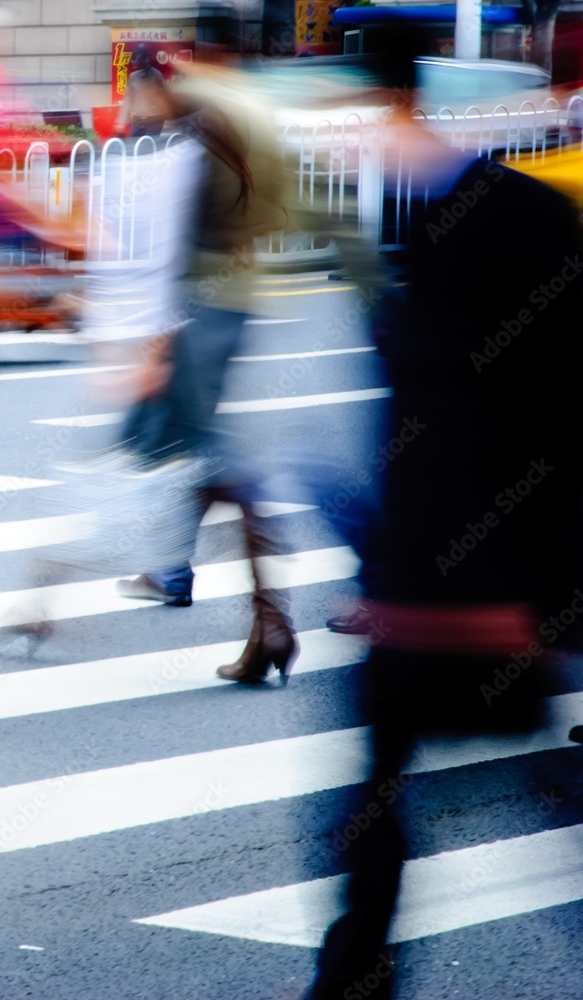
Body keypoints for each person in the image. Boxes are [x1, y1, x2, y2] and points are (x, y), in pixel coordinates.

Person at [303, 33, 583, 999]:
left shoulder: (466, 240)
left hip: (451, 582)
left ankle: (352, 978)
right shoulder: (496, 228)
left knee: (389, 795)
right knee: (515, 793)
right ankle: (352, 976)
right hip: (469, 581)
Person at [112, 64, 298, 685]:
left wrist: (157, 345)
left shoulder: (189, 140)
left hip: (196, 309)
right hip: (233, 298)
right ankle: (176, 571)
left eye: (136, 94)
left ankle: (268, 616)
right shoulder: (242, 111)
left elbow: (166, 248)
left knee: (193, 451)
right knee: (182, 444)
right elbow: (276, 214)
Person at [115, 44, 168, 138]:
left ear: (147, 59)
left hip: (154, 121)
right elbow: (127, 100)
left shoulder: (156, 75)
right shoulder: (133, 77)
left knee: (149, 148)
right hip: (136, 122)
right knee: (136, 148)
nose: (137, 65)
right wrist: (121, 122)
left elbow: (166, 96)